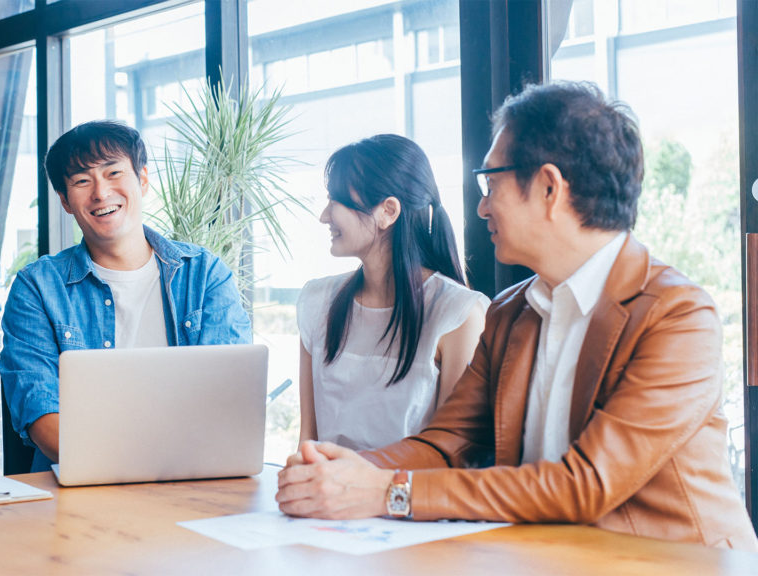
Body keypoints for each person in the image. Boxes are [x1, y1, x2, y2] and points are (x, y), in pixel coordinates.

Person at [275, 82, 758, 550]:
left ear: (549, 187)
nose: (482, 206)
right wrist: (345, 472)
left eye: (491, 182)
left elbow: (585, 484)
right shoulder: (510, 313)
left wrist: (387, 491)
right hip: (546, 557)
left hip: (674, 563)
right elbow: (448, 443)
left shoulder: (678, 316)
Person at [0, 120, 252, 472]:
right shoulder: (38, 287)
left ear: (143, 180)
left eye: (113, 172)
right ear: (65, 201)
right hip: (81, 488)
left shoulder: (204, 274)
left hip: (192, 477)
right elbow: (39, 410)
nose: (101, 193)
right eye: (82, 181)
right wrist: (137, 465)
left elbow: (226, 395)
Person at [296, 134, 487, 451]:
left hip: (407, 498)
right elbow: (307, 441)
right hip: (323, 495)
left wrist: (368, 489)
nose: (324, 216)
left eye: (336, 201)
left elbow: (451, 457)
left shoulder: (457, 313)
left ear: (388, 211)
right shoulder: (317, 302)